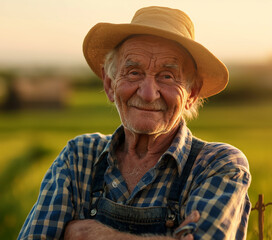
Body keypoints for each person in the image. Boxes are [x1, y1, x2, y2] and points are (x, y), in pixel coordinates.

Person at [17, 6, 251, 240]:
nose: (148, 93)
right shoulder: (79, 158)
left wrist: (89, 233)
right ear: (109, 85)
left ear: (191, 93)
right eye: (134, 72)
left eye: (167, 76)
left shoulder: (217, 165)